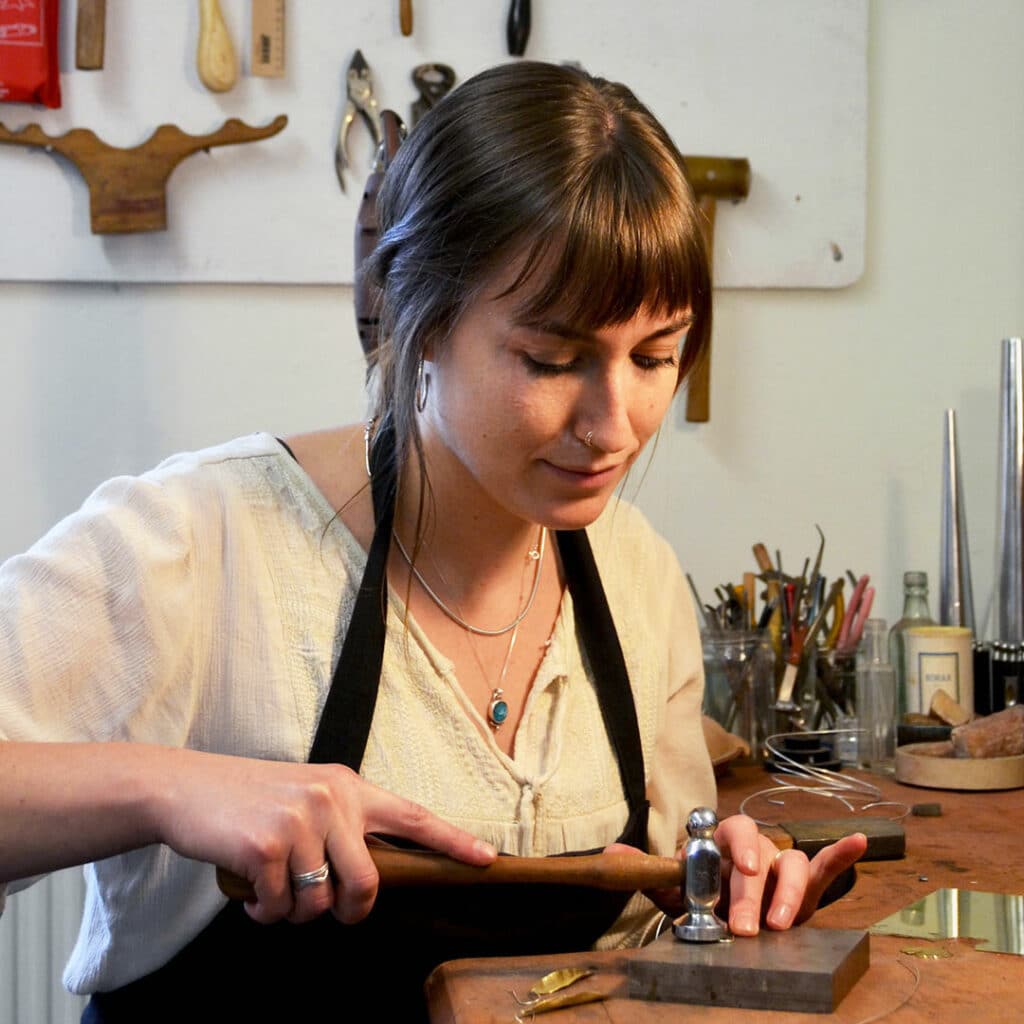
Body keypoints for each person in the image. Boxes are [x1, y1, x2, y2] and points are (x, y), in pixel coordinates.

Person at [0, 61, 865, 1021]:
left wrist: (712, 888)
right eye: (551, 358)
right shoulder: (206, 540)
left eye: (656, 356)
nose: (614, 423)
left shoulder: (633, 575)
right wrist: (170, 788)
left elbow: (624, 951)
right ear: (422, 320)